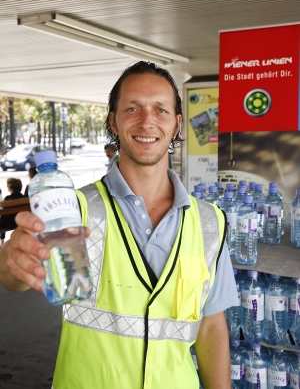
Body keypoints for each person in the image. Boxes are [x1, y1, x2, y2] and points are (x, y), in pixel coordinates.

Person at [0, 61, 237, 389]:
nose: (147, 121)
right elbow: (17, 278)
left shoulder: (210, 222)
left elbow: (211, 326)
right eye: (132, 108)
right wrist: (11, 261)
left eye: (160, 110)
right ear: (113, 120)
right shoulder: (73, 209)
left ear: (177, 123)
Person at [0, 178, 24, 247]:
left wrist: (2, 236)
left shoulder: (8, 198)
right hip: (20, 222)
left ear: (10, 187)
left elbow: (3, 216)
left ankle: (2, 241)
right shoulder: (23, 197)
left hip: (10, 224)